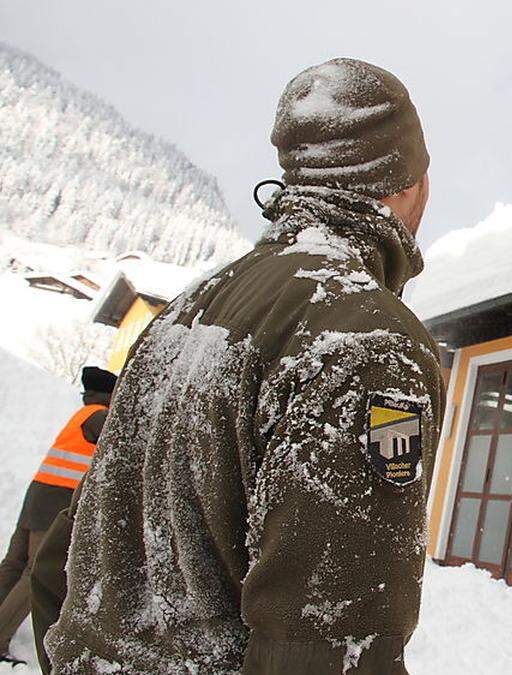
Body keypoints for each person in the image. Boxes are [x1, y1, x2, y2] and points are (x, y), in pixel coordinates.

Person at [37, 58, 445, 675]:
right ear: (408, 183)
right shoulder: (365, 341)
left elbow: (63, 561)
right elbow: (326, 644)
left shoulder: (179, 318)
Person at [0, 367, 113, 666]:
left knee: (13, 564)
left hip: (37, 495)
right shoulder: (100, 417)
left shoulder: (83, 414)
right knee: (34, 572)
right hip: (55, 499)